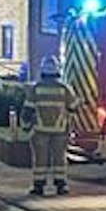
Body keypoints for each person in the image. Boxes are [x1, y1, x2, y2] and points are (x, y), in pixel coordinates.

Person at [23, 55, 76, 196]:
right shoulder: (65, 88)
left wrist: (25, 126)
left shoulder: (36, 88)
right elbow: (73, 107)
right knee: (59, 159)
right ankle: (61, 185)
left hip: (40, 130)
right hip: (60, 130)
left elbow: (27, 110)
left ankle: (39, 186)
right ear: (57, 70)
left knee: (40, 160)